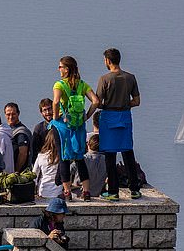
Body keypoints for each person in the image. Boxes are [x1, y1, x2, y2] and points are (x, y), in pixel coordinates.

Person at [95, 48, 143, 200]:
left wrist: (107, 105)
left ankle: (113, 192)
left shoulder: (104, 79)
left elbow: (98, 101)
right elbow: (137, 101)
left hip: (109, 117)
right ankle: (134, 189)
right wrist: (123, 104)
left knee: (110, 155)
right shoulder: (131, 77)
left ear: (108, 61)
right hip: (124, 116)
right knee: (128, 151)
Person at [51, 55, 100, 201]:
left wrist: (54, 117)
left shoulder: (59, 85)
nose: (59, 69)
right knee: (79, 157)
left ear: (66, 69)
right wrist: (87, 116)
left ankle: (67, 192)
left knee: (64, 158)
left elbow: (55, 101)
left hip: (63, 126)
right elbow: (96, 101)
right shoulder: (82, 84)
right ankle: (86, 192)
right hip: (78, 126)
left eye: (60, 67)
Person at [32, 131, 63, 199]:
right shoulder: (63, 156)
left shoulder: (41, 156)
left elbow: (34, 175)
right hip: (59, 191)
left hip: (43, 190)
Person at [2, 102, 32, 172]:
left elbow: (23, 154)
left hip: (19, 173)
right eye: (8, 114)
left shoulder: (21, 132)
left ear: (18, 114)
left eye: (13, 114)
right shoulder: (7, 129)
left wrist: (16, 171)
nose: (11, 117)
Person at [30, 98, 56, 167]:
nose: (47, 112)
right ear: (41, 113)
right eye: (44, 110)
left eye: (49, 109)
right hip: (45, 164)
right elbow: (35, 151)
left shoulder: (62, 126)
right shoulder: (38, 129)